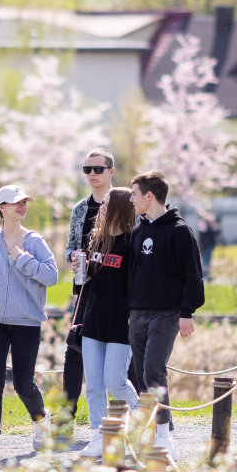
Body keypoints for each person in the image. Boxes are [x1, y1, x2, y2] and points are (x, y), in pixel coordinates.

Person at [0, 184, 58, 453]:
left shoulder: (34, 241)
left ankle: (42, 419)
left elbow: (51, 275)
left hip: (27, 322)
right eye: (15, 202)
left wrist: (22, 259)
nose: (22, 206)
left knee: (23, 384)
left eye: (24, 202)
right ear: (2, 208)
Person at [128, 171, 205, 457]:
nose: (132, 199)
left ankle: (163, 435)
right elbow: (132, 275)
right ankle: (156, 427)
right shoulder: (138, 232)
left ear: (150, 196)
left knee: (153, 369)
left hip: (167, 313)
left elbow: (193, 275)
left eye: (135, 194)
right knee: (137, 374)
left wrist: (187, 311)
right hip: (137, 312)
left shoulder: (180, 231)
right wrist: (129, 308)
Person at [77, 187, 140, 457]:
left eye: (105, 204)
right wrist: (81, 267)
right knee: (93, 383)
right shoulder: (97, 239)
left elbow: (137, 283)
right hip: (94, 319)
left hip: (120, 323)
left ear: (118, 208)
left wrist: (133, 313)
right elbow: (91, 278)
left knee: (114, 381)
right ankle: (100, 434)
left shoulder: (131, 242)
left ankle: (139, 417)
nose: (100, 207)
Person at [63, 148, 117, 421]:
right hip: (85, 289)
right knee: (74, 348)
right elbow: (70, 247)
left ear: (111, 171)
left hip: (118, 291)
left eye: (98, 169)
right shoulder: (80, 209)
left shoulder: (125, 203)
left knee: (122, 351)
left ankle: (136, 417)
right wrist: (73, 258)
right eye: (87, 170)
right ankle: (66, 417)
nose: (92, 174)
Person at [198, 217, 221, 282]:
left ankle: (205, 274)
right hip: (206, 247)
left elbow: (217, 233)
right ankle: (205, 275)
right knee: (206, 261)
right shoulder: (205, 229)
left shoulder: (207, 229)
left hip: (208, 247)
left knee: (206, 261)